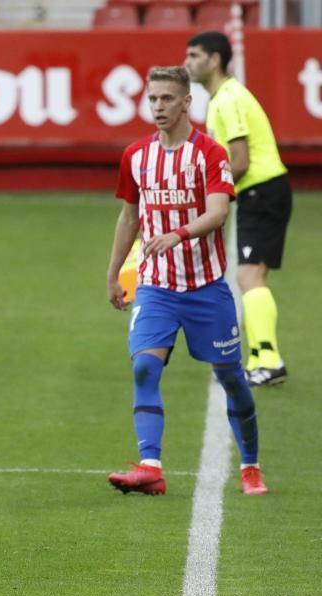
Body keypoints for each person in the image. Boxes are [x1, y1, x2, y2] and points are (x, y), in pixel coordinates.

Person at [105, 67, 267, 496]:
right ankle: (151, 466)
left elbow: (218, 212)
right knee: (144, 367)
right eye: (153, 98)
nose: (158, 106)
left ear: (185, 103)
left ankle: (250, 465)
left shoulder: (210, 154)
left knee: (231, 378)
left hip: (206, 289)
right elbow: (129, 216)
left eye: (166, 99)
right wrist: (112, 271)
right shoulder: (136, 156)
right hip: (156, 286)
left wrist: (177, 234)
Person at [185, 31, 293, 386]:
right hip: (259, 193)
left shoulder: (229, 99)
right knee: (250, 276)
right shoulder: (222, 98)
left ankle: (269, 359)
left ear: (215, 59)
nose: (188, 62)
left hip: (260, 190)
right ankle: (261, 359)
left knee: (250, 276)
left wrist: (206, 195)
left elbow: (240, 161)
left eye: (195, 55)